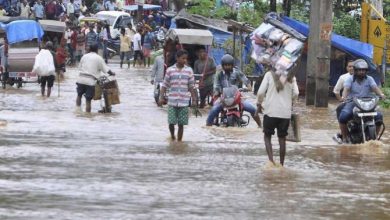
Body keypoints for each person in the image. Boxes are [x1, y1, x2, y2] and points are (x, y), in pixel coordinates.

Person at [336, 59, 386, 144]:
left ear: (366, 71)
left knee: (379, 117)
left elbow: (375, 88)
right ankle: (344, 137)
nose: (362, 72)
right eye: (359, 70)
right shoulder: (350, 79)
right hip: (353, 102)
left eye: (363, 70)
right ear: (355, 70)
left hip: (368, 102)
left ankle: (376, 137)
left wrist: (381, 94)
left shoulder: (370, 79)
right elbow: (346, 89)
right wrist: (344, 97)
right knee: (343, 116)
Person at [256, 69, 299, 166]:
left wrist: (259, 103)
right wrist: (290, 101)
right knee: (282, 138)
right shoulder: (291, 77)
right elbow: (296, 93)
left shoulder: (269, 74)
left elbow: (260, 93)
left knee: (267, 136)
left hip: (270, 111)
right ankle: (281, 164)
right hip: (285, 114)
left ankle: (271, 161)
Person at [206, 54, 262, 127]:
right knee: (213, 110)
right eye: (225, 65)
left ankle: (260, 126)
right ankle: (208, 125)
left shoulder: (237, 72)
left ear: (232, 65)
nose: (227, 67)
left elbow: (245, 80)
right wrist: (216, 92)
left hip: (236, 97)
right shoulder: (219, 73)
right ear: (223, 65)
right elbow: (216, 84)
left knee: (252, 109)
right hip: (223, 97)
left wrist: (248, 87)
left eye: (229, 65)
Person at [158, 50, 197, 141]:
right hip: (172, 101)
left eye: (186, 59)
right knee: (171, 122)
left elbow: (191, 86)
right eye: (183, 58)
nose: (185, 60)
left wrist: (194, 100)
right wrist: (161, 97)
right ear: (177, 58)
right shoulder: (170, 70)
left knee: (181, 124)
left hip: (184, 102)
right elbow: (164, 85)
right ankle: (172, 136)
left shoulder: (189, 71)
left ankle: (179, 142)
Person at [76, 43, 115, 113]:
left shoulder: (84, 56)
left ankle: (77, 110)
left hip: (80, 79)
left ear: (90, 49)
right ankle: (88, 115)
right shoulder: (99, 58)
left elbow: (79, 68)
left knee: (79, 95)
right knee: (88, 100)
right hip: (90, 81)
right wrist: (112, 73)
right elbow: (106, 70)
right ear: (97, 50)